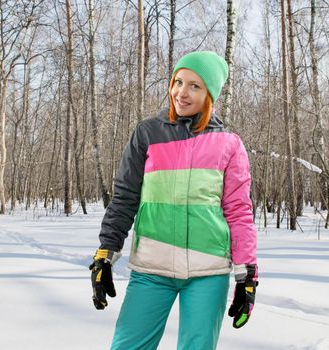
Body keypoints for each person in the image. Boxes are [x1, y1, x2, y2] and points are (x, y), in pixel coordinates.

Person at [89, 51, 258, 350]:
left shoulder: (229, 144)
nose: (182, 92)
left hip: (208, 272)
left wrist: (247, 274)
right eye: (178, 81)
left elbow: (238, 211)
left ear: (210, 94)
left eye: (195, 85)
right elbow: (125, 197)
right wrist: (106, 253)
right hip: (152, 268)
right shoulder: (147, 133)